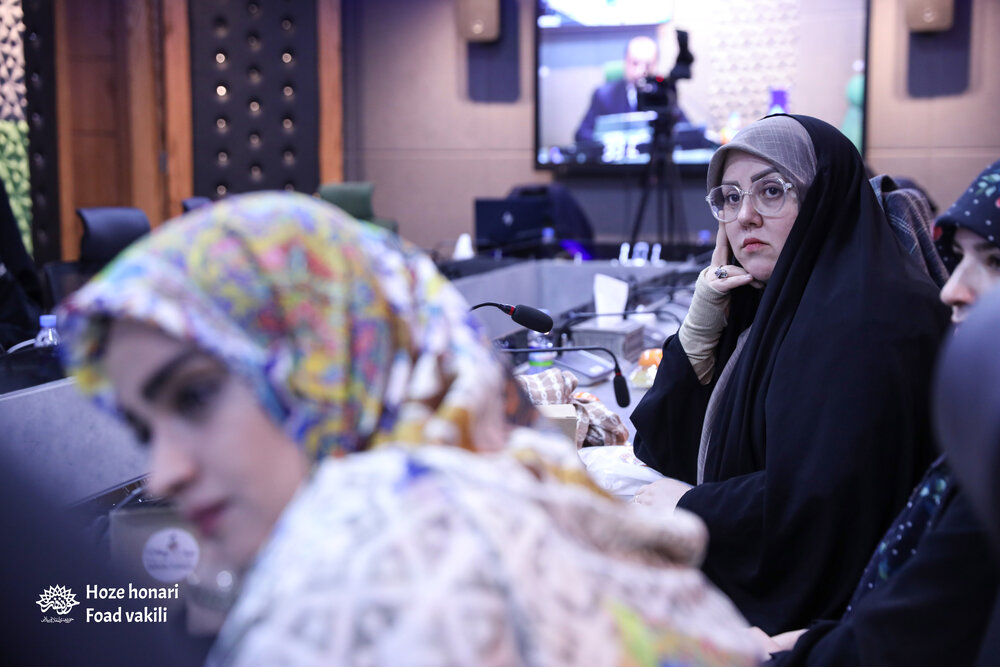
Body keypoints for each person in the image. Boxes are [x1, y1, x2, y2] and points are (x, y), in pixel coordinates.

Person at [57, 192, 761, 665]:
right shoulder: (500, 495)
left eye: (196, 396)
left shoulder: (372, 562)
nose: (165, 472)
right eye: (145, 430)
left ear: (324, 361)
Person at [629, 114, 950, 634]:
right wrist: (701, 324)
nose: (745, 217)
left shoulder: (870, 318)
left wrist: (691, 505)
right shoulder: (770, 302)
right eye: (730, 197)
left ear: (823, 199)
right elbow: (664, 447)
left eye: (772, 191)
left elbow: (829, 502)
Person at [753, 159, 1000, 665]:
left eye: (994, 262)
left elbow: (910, 636)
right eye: (729, 196)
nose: (953, 289)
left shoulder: (866, 329)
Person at [574, 36, 659, 143]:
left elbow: (679, 130)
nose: (641, 71)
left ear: (655, 65)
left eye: (647, 65)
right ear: (625, 62)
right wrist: (607, 141)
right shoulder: (604, 95)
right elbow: (582, 134)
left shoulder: (663, 95)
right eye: (635, 63)